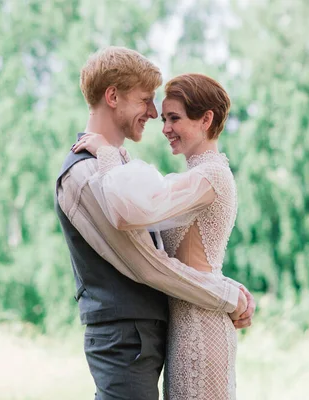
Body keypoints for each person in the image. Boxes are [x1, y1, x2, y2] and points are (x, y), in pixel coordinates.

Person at [54, 46, 255, 400]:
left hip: (173, 331)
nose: (157, 119)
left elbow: (175, 250)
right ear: (113, 96)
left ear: (205, 120)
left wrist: (225, 288)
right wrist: (227, 294)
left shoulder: (201, 175)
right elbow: (147, 263)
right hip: (128, 339)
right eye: (148, 102)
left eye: (172, 117)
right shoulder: (86, 172)